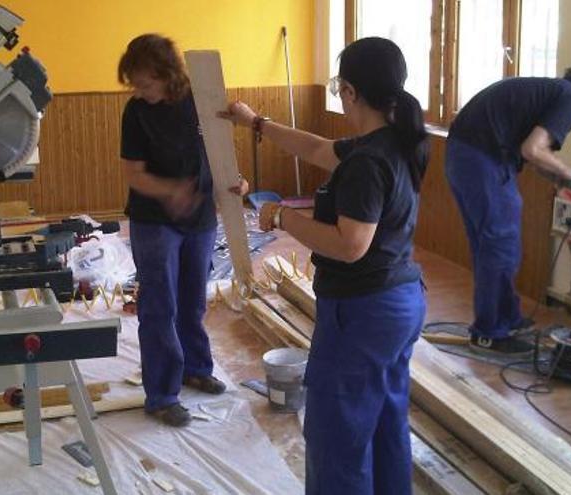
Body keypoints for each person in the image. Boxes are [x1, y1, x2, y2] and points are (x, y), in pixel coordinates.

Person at [221, 37, 428, 494]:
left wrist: (282, 216)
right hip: (400, 303)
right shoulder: (396, 140)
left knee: (337, 432)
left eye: (339, 88)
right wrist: (257, 122)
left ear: (351, 92)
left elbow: (350, 244)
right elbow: (317, 149)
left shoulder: (368, 163)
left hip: (362, 313)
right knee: (384, 421)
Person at [445, 59, 571, 354]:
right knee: (501, 245)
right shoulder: (569, 100)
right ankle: (490, 332)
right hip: (481, 158)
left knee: (492, 245)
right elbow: (533, 149)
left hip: (468, 156)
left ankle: (506, 318)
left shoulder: (554, 92)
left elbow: (535, 157)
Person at [117, 34, 247, 427]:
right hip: (154, 220)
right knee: (160, 306)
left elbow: (221, 152)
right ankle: (161, 395)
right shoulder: (136, 112)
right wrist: (170, 190)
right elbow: (134, 175)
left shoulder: (203, 101)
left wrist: (235, 182)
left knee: (193, 300)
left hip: (200, 217)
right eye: (135, 85)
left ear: (168, 75)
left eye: (146, 83)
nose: (140, 92)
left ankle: (195, 368)